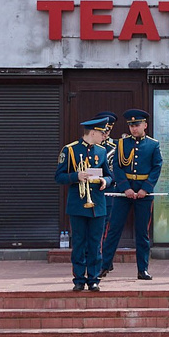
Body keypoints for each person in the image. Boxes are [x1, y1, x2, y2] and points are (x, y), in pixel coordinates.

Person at [101, 109, 161, 283]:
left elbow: (157, 167)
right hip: (123, 192)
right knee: (114, 230)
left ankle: (143, 269)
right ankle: (104, 265)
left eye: (137, 125)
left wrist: (146, 189)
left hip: (144, 192)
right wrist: (125, 187)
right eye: (131, 125)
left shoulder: (153, 144)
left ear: (145, 125)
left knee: (142, 232)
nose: (134, 128)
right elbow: (118, 167)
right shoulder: (122, 144)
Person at [56, 113, 112, 291]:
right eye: (102, 133)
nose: (104, 136)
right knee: (79, 242)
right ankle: (79, 279)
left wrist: (106, 182)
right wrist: (76, 176)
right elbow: (59, 176)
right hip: (78, 204)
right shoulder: (70, 150)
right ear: (93, 132)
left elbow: (110, 175)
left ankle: (94, 278)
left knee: (96, 243)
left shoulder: (102, 151)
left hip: (98, 204)